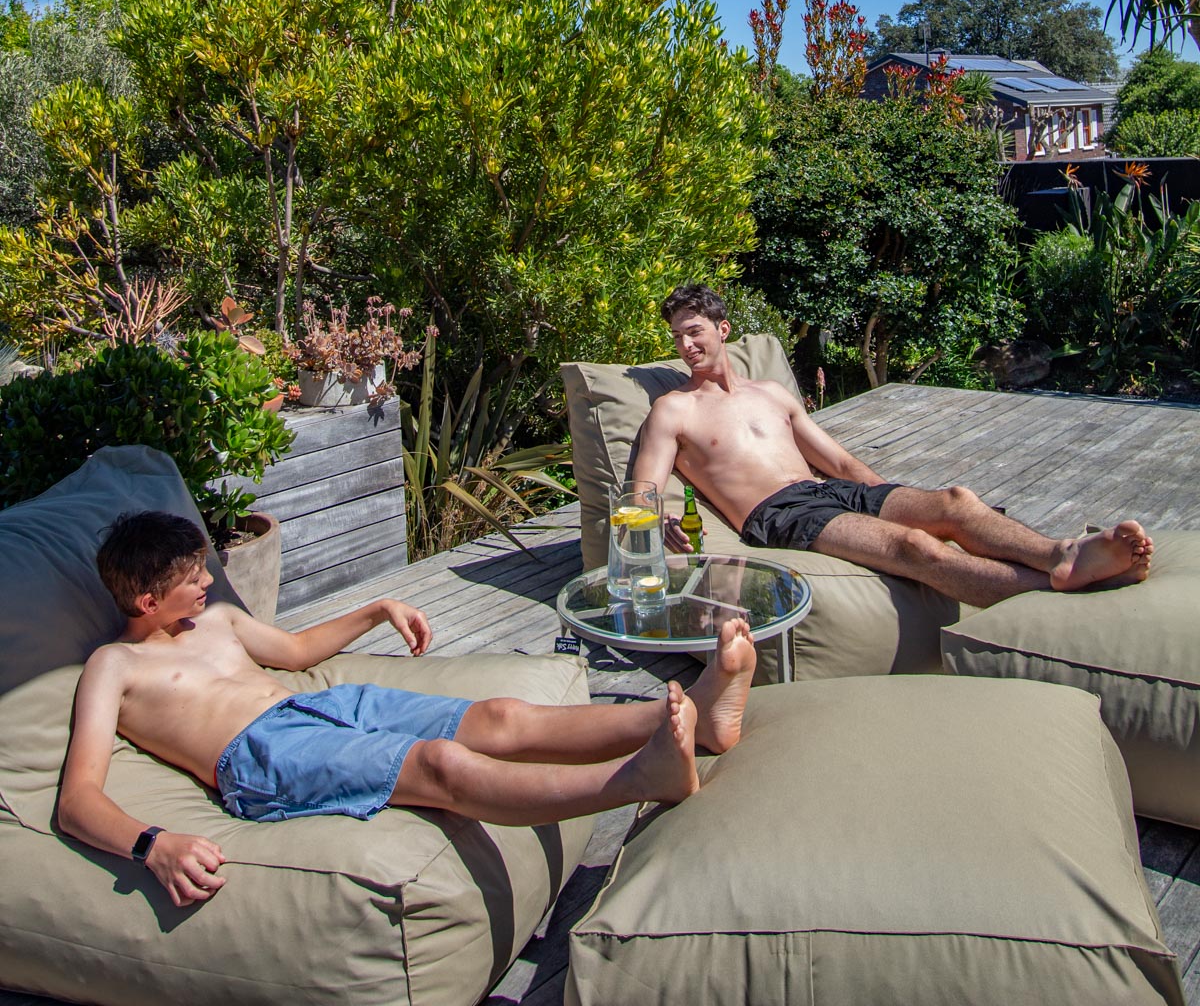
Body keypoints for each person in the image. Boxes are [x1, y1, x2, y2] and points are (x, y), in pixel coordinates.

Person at [59, 511, 757, 908]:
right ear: (147, 600)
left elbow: (297, 651)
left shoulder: (214, 620)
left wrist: (377, 608)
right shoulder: (114, 668)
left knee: (498, 719)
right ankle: (637, 780)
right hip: (261, 758)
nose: (210, 582)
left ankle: (698, 710)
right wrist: (155, 846)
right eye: (192, 579)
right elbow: (78, 800)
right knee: (441, 762)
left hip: (323, 705)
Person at [632, 283, 1153, 610]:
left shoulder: (771, 394)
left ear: (723, 329)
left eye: (695, 331)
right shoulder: (674, 410)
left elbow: (838, 462)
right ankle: (1068, 595)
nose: (686, 345)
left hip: (831, 491)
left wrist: (894, 500)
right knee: (915, 547)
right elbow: (641, 494)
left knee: (954, 502)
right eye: (677, 337)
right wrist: (661, 520)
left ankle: (1062, 555)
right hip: (779, 513)